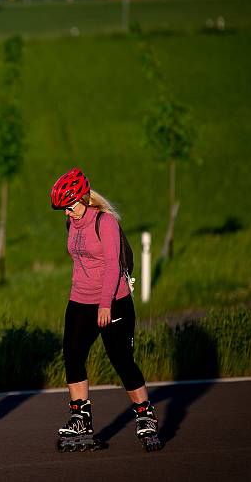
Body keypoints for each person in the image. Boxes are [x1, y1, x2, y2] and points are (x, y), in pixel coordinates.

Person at [50, 168, 161, 452]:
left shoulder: (105, 222)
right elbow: (79, 263)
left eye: (71, 206)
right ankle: (81, 418)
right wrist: (79, 299)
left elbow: (113, 265)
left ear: (85, 198)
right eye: (64, 209)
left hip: (114, 301)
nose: (68, 213)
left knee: (121, 359)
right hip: (80, 301)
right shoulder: (71, 224)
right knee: (72, 356)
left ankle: (145, 416)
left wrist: (104, 304)